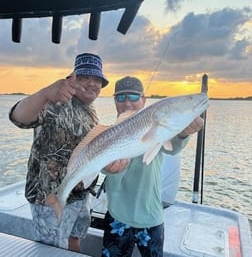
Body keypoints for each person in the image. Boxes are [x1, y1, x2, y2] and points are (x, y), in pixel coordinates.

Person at [9, 53, 109, 252]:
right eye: (84, 77)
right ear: (72, 79)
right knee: (52, 252)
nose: (92, 84)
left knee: (75, 240)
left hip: (80, 196)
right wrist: (45, 94)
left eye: (97, 79)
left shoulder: (89, 109)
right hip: (50, 198)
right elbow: (18, 117)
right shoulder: (57, 101)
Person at [101, 76, 204, 257]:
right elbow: (101, 166)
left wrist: (183, 133)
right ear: (114, 101)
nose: (127, 103)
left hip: (150, 218)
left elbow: (173, 148)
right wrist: (107, 168)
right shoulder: (108, 135)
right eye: (120, 97)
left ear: (144, 100)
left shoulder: (159, 128)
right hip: (117, 216)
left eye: (133, 97)